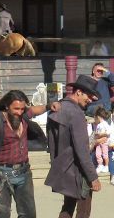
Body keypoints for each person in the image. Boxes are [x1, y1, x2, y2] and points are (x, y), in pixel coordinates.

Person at [0, 90, 58, 218]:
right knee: (2, 214)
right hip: (1, 175)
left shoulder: (23, 115)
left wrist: (49, 106)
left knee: (29, 214)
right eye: (16, 109)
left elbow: (35, 110)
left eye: (22, 109)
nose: (19, 112)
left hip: (24, 173)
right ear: (7, 106)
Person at [45, 74, 102, 218]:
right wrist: (93, 177)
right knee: (83, 210)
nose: (90, 100)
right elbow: (82, 150)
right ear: (79, 92)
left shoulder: (57, 108)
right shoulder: (76, 113)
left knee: (68, 206)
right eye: (88, 96)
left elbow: (51, 143)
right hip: (78, 169)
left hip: (63, 166)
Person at [93, 107, 110, 174]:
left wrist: (101, 134)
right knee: (98, 154)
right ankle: (100, 165)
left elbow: (108, 132)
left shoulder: (105, 123)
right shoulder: (98, 125)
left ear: (98, 116)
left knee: (105, 154)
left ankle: (106, 166)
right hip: (98, 142)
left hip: (104, 142)